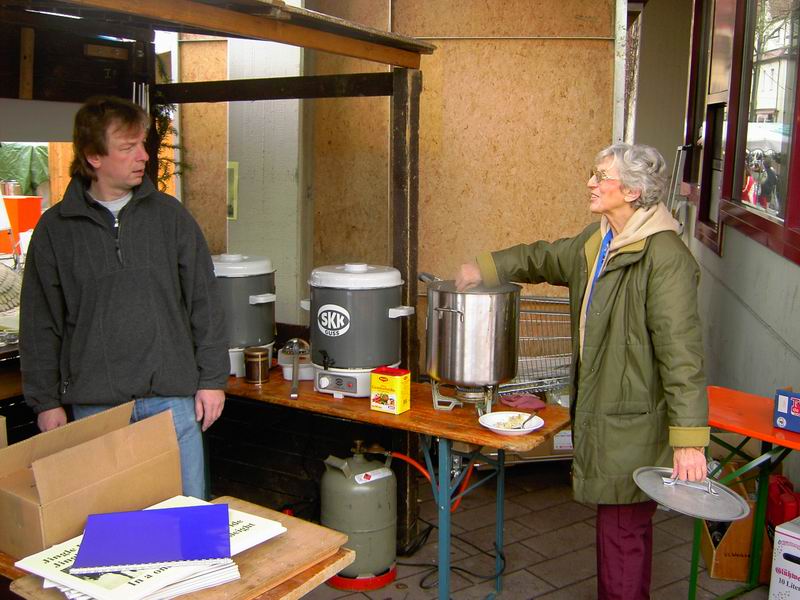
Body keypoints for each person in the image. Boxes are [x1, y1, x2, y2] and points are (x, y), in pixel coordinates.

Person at [456, 143, 709, 600]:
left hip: (634, 419)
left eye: (601, 176)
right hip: (609, 413)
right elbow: (544, 257)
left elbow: (682, 354)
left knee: (623, 533)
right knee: (621, 529)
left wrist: (689, 439)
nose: (590, 183)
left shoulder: (664, 256)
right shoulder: (600, 241)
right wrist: (486, 266)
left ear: (631, 191)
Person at [20, 96, 228, 500]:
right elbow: (40, 323)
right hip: (96, 412)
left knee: (186, 519)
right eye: (128, 147)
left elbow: (205, 303)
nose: (144, 156)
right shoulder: (56, 230)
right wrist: (46, 403)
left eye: (143, 144)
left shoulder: (170, 217)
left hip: (172, 403)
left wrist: (212, 381)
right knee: (111, 523)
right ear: (94, 156)